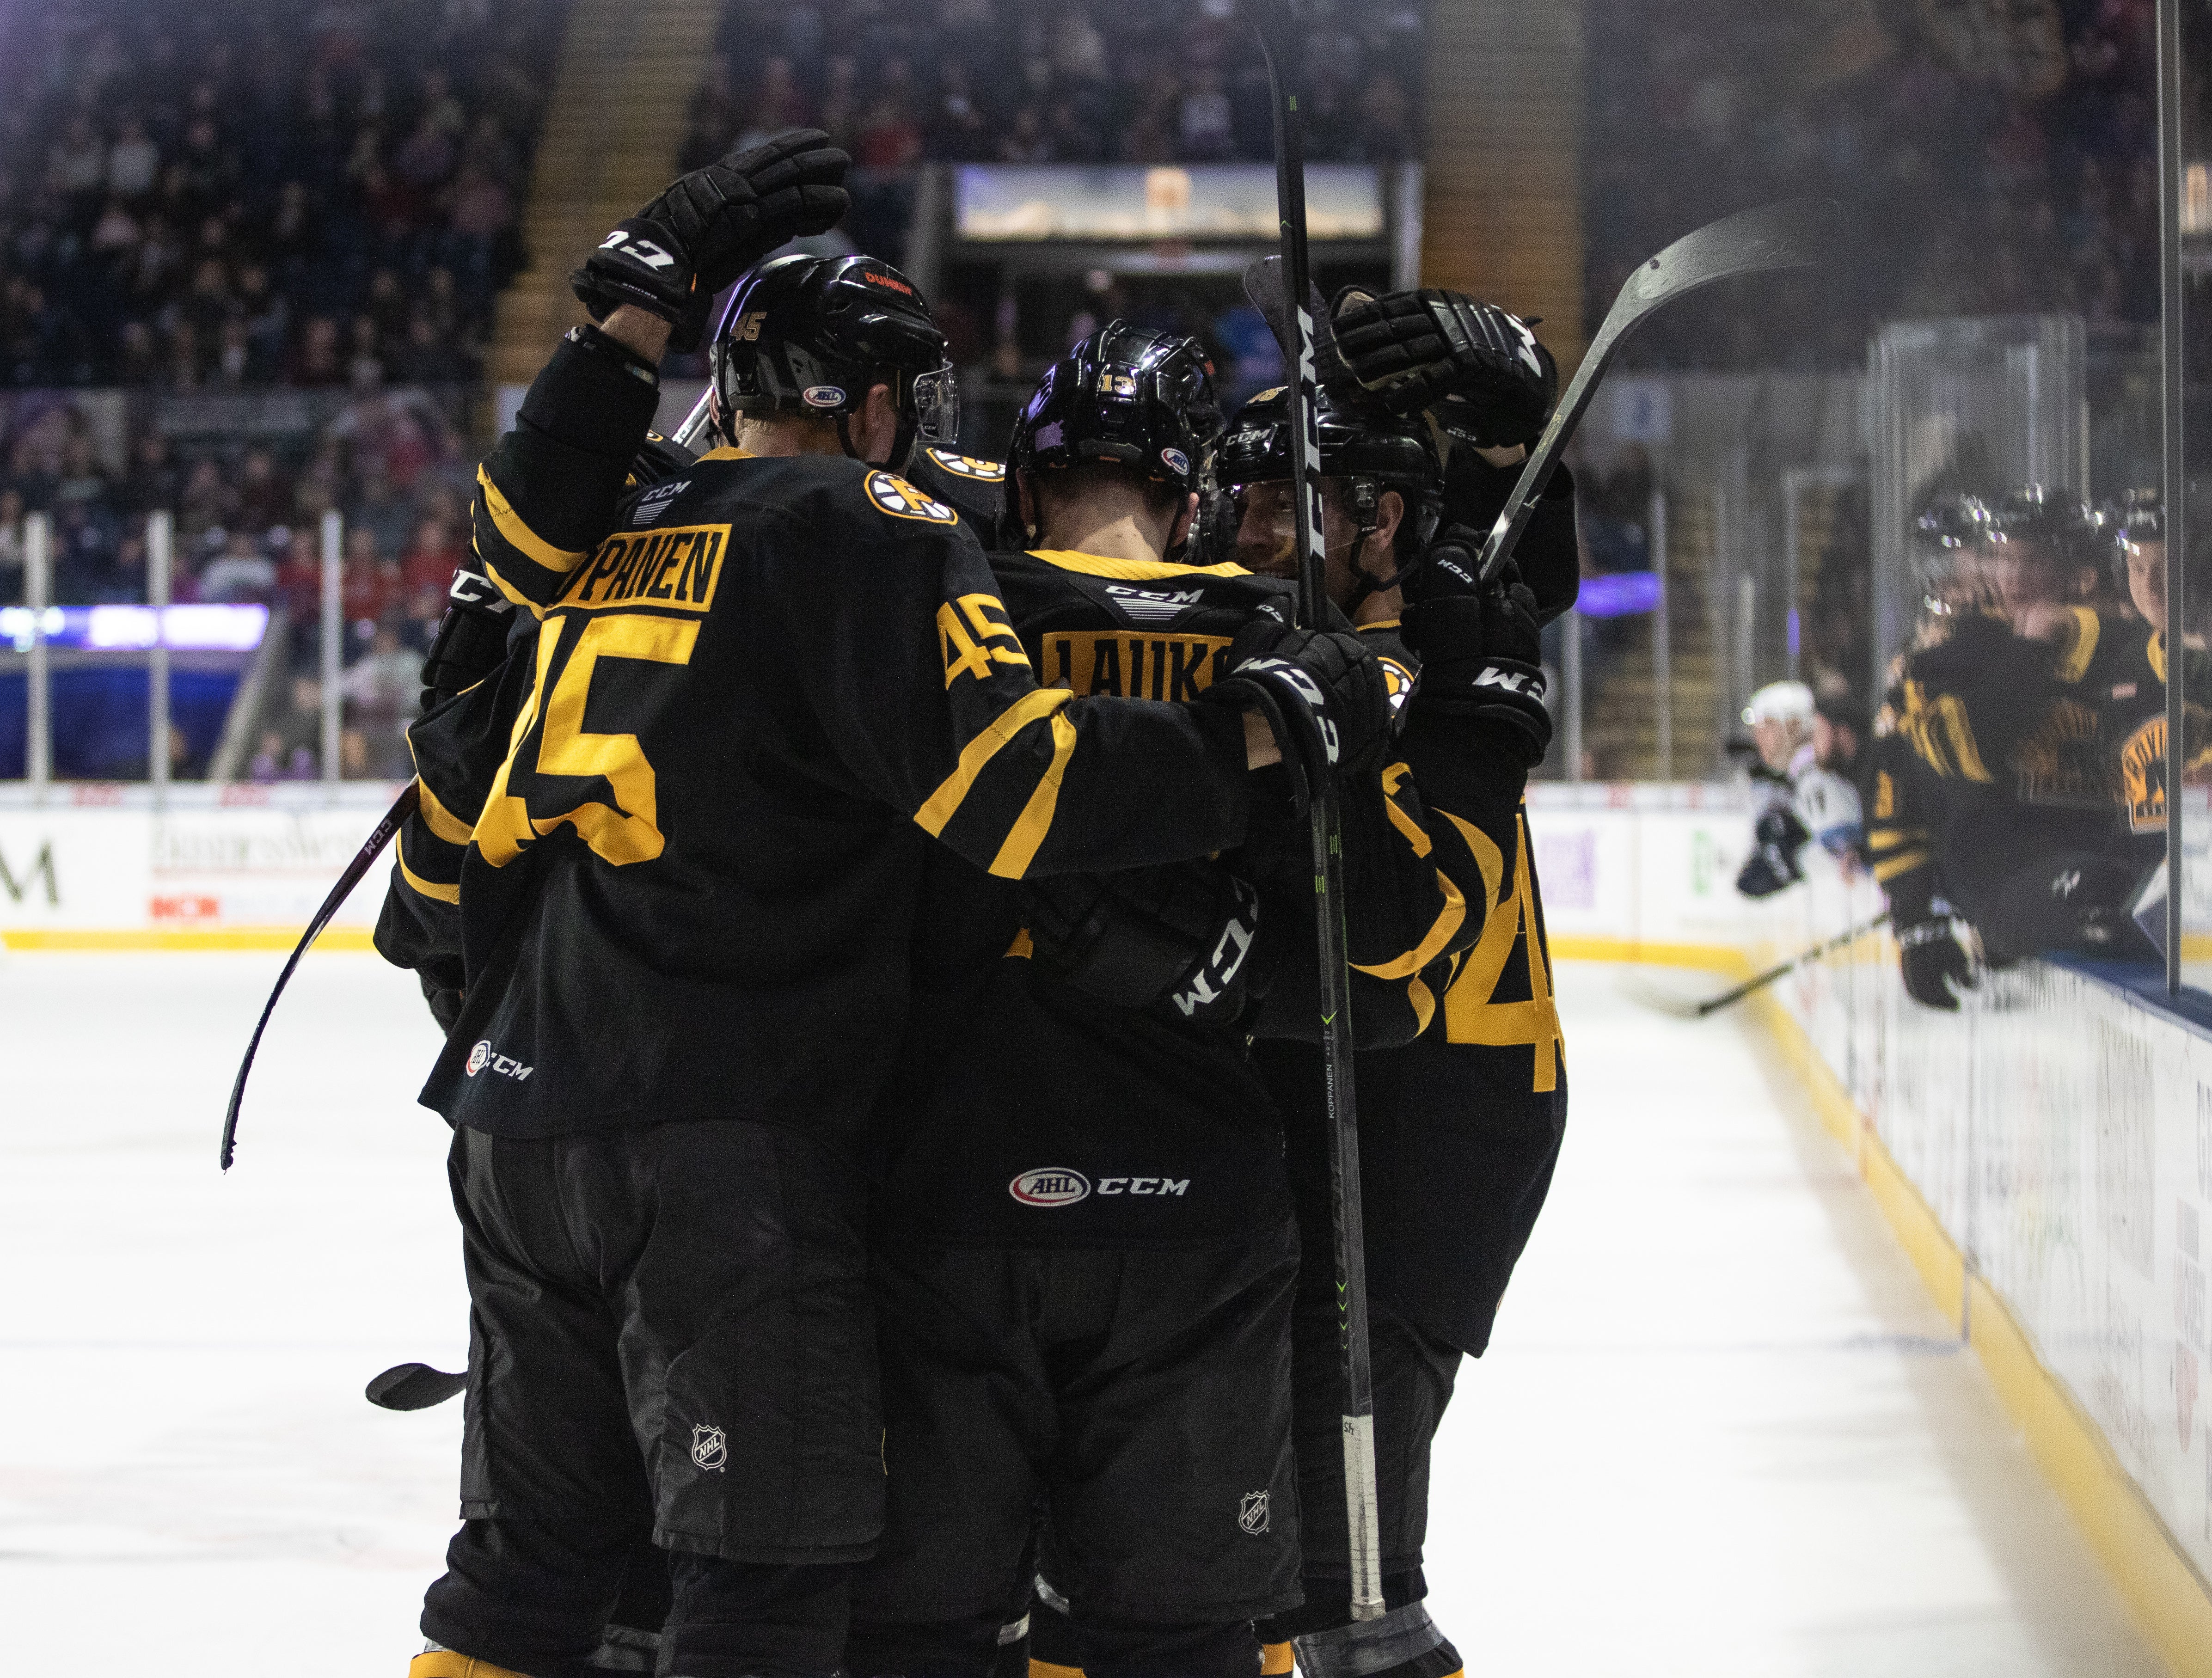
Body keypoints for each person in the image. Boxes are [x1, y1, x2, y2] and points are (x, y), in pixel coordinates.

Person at [374, 132, 1393, 1678]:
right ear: (867, 408)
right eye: (906, 413)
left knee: (527, 1584)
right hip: (722, 1132)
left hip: (518, 1115)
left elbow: (502, 559)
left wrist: (620, 314)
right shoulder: (867, 529)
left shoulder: (611, 534)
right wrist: (1259, 725)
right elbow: (1021, 796)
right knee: (763, 1585)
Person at [845, 323, 1533, 1678]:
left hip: (951, 1197)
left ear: (1027, 487)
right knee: (1177, 1634)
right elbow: (1383, 970)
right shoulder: (1278, 640)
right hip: (1195, 1216)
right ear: (1190, 490)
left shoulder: (944, 609)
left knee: (927, 1630)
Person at [1866, 486, 2161, 1011]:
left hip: (2104, 863)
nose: (2014, 577)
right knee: (2108, 893)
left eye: (2034, 560)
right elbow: (1969, 752)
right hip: (2003, 879)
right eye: (2002, 558)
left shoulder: (2128, 651)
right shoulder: (1949, 658)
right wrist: (1915, 919)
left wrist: (2079, 632)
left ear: (2078, 571)